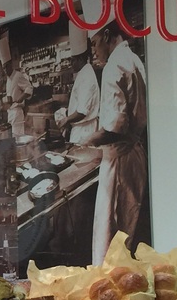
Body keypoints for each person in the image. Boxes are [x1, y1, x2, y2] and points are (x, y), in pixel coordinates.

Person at [88, 24, 148, 264]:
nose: (94, 51)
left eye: (94, 43)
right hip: (135, 156)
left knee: (110, 244)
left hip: (119, 164)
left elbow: (114, 128)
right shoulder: (133, 59)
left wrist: (86, 140)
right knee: (128, 236)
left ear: (106, 35)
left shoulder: (114, 66)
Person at [61, 47, 100, 146]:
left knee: (80, 155)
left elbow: (82, 112)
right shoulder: (83, 73)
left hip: (84, 131)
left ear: (81, 59)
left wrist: (66, 119)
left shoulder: (87, 76)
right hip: (81, 128)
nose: (71, 64)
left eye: (73, 60)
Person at [3, 56, 35, 138]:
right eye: (3, 68)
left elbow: (29, 88)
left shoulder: (18, 76)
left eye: (6, 67)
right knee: (11, 137)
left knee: (17, 137)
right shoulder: (8, 79)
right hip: (10, 112)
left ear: (10, 65)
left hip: (17, 112)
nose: (5, 70)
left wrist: (22, 97)